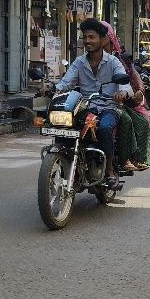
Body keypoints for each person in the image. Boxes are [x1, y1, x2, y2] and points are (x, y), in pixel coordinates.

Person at [55, 18, 129, 187]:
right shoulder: (79, 62)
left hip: (109, 107)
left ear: (102, 40)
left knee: (104, 127)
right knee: (65, 127)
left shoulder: (113, 62)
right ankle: (64, 162)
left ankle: (109, 171)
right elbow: (67, 82)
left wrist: (122, 93)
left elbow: (125, 84)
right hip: (86, 107)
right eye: (85, 37)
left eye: (92, 37)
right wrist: (56, 90)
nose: (87, 41)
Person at [100, 22, 150, 171]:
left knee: (139, 121)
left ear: (109, 37)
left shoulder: (117, 59)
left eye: (101, 35)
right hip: (93, 100)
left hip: (116, 101)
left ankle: (130, 157)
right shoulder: (86, 58)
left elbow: (130, 76)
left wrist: (138, 91)